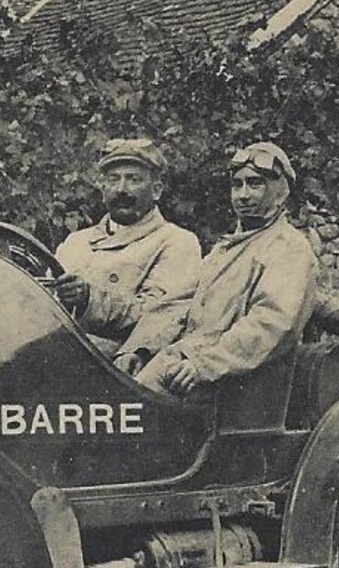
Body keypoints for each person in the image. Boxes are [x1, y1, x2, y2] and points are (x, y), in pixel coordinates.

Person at [135, 140, 319, 398]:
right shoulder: (224, 250)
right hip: (186, 366)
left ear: (281, 191)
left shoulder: (289, 249)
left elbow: (270, 325)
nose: (243, 195)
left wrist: (202, 365)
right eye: (237, 185)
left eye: (255, 183)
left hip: (235, 385)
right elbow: (176, 304)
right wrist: (139, 349)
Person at [52, 138, 201, 371]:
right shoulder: (76, 242)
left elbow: (161, 316)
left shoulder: (176, 242)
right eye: (113, 179)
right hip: (52, 362)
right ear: (102, 189)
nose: (122, 189)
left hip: (118, 372)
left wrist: (89, 299)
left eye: (134, 179)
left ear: (156, 190)